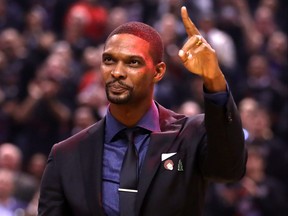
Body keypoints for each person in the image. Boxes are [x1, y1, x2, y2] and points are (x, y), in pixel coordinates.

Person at [38, 6, 246, 216]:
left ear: (158, 71)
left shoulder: (190, 135)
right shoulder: (65, 155)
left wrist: (213, 78)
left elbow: (229, 170)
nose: (117, 72)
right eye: (109, 60)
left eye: (133, 62)